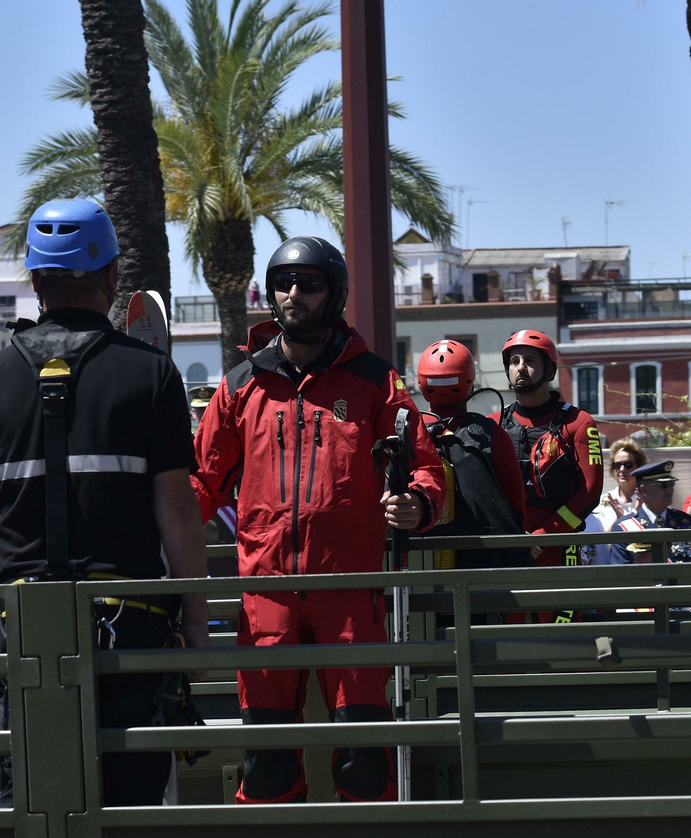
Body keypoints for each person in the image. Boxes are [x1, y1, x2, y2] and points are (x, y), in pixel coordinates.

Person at [0, 199, 209, 808]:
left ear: (34, 280)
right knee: (129, 805)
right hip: (130, 631)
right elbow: (177, 511)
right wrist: (192, 616)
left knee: (28, 800)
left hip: (19, 633)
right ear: (110, 276)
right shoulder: (153, 375)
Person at [190, 235, 445, 804]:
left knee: (362, 758)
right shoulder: (238, 386)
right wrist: (153, 535)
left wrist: (418, 504)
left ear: (335, 295)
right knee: (266, 762)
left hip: (350, 591)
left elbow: (425, 467)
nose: (293, 294)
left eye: (309, 283)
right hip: (264, 595)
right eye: (284, 283)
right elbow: (200, 483)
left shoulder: (377, 381)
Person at [490, 329, 601, 577]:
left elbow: (590, 492)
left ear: (549, 370)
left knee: (562, 616)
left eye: (530, 361)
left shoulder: (579, 422)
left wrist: (541, 537)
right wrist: (515, 541)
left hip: (559, 550)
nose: (520, 367)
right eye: (514, 361)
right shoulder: (491, 425)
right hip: (506, 550)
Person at [415, 339, 529, 570]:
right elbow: (516, 505)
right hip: (482, 567)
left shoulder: (407, 432)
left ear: (421, 383)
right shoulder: (492, 434)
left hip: (418, 567)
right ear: (469, 380)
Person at [609, 461, 691, 565]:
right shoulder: (623, 527)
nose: (670, 490)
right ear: (644, 490)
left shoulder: (687, 523)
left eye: (671, 484)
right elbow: (622, 574)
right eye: (664, 485)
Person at [581, 438, 646, 565]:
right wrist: (620, 522)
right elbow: (598, 546)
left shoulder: (647, 499)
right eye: (617, 465)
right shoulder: (603, 502)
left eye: (628, 465)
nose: (622, 469)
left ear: (639, 467)